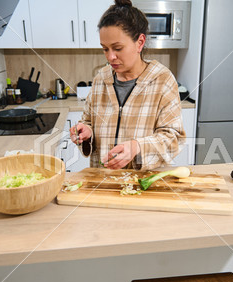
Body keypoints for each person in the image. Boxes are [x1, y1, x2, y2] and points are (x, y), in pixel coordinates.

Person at [70, 0, 185, 171]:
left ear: (140, 42)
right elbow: (88, 121)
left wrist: (137, 146)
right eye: (105, 49)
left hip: (142, 184)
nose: (110, 57)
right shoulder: (101, 79)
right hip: (103, 181)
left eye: (117, 48)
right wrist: (86, 132)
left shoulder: (162, 80)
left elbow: (173, 138)